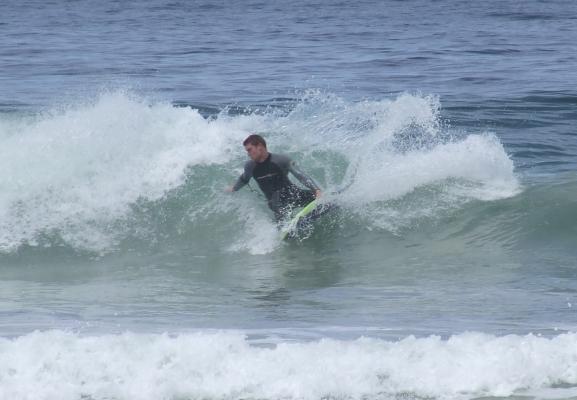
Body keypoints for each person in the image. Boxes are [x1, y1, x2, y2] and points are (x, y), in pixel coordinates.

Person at [227, 134, 322, 222]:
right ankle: (285, 225)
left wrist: (316, 189)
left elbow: (300, 175)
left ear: (259, 146)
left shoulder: (281, 160)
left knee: (318, 199)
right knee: (277, 198)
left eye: (249, 150)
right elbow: (244, 179)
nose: (248, 154)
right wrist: (234, 188)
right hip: (276, 204)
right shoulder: (250, 166)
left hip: (293, 194)